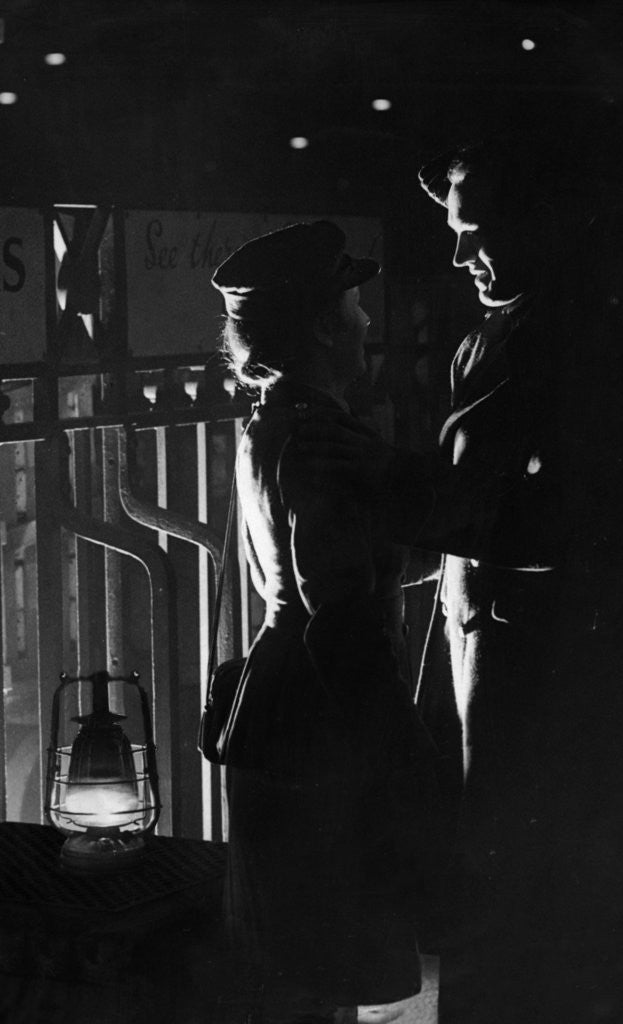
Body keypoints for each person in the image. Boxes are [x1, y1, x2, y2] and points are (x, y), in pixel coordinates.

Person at [299, 125, 623, 1023]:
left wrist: (380, 483)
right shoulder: (511, 330)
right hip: (516, 655)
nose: (457, 250)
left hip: (560, 669)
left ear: (543, 220)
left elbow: (553, 511)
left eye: (474, 229)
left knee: (552, 925)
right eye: (451, 229)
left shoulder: (589, 338)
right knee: (526, 914)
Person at [210, 221, 441, 1024]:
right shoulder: (322, 438)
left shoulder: (273, 422)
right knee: (321, 978)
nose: (367, 324)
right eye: (353, 307)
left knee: (299, 974)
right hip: (323, 732)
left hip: (282, 718)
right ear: (319, 326)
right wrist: (407, 758)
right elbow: (338, 617)